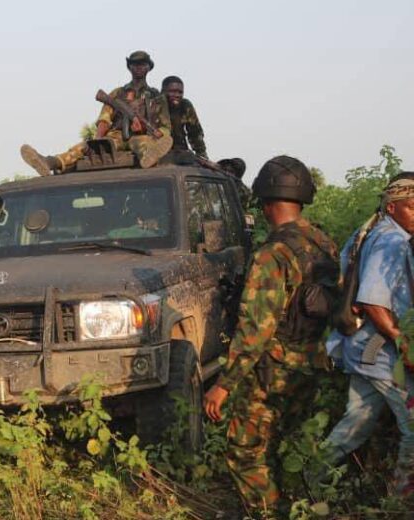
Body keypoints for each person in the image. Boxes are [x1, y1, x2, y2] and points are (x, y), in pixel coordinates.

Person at [203, 156, 339, 516]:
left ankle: (267, 512)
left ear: (265, 205)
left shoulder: (272, 254)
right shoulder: (324, 243)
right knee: (286, 444)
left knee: (245, 450)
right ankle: (295, 507)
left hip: (272, 370)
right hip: (311, 363)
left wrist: (223, 385)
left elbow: (255, 329)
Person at [320, 174, 414, 495]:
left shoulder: (372, 231)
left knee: (356, 423)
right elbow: (372, 301)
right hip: (379, 349)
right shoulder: (392, 240)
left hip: (363, 348)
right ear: (392, 207)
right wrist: (403, 343)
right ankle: (402, 499)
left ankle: (308, 477)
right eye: (412, 208)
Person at [20, 50, 173, 175]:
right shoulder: (117, 94)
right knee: (83, 147)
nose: (139, 67)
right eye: (135, 64)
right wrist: (97, 140)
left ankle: (149, 160)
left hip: (142, 137)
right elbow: (104, 119)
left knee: (145, 145)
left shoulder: (157, 97)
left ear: (149, 67)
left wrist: (152, 132)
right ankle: (48, 162)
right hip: (116, 136)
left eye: (143, 64)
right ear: (129, 67)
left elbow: (166, 127)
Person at [162, 75, 207, 159]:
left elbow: (195, 132)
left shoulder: (185, 105)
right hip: (157, 151)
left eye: (180, 92)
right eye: (172, 91)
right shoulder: (154, 105)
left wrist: (202, 155)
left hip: (180, 150)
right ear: (163, 91)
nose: (177, 95)